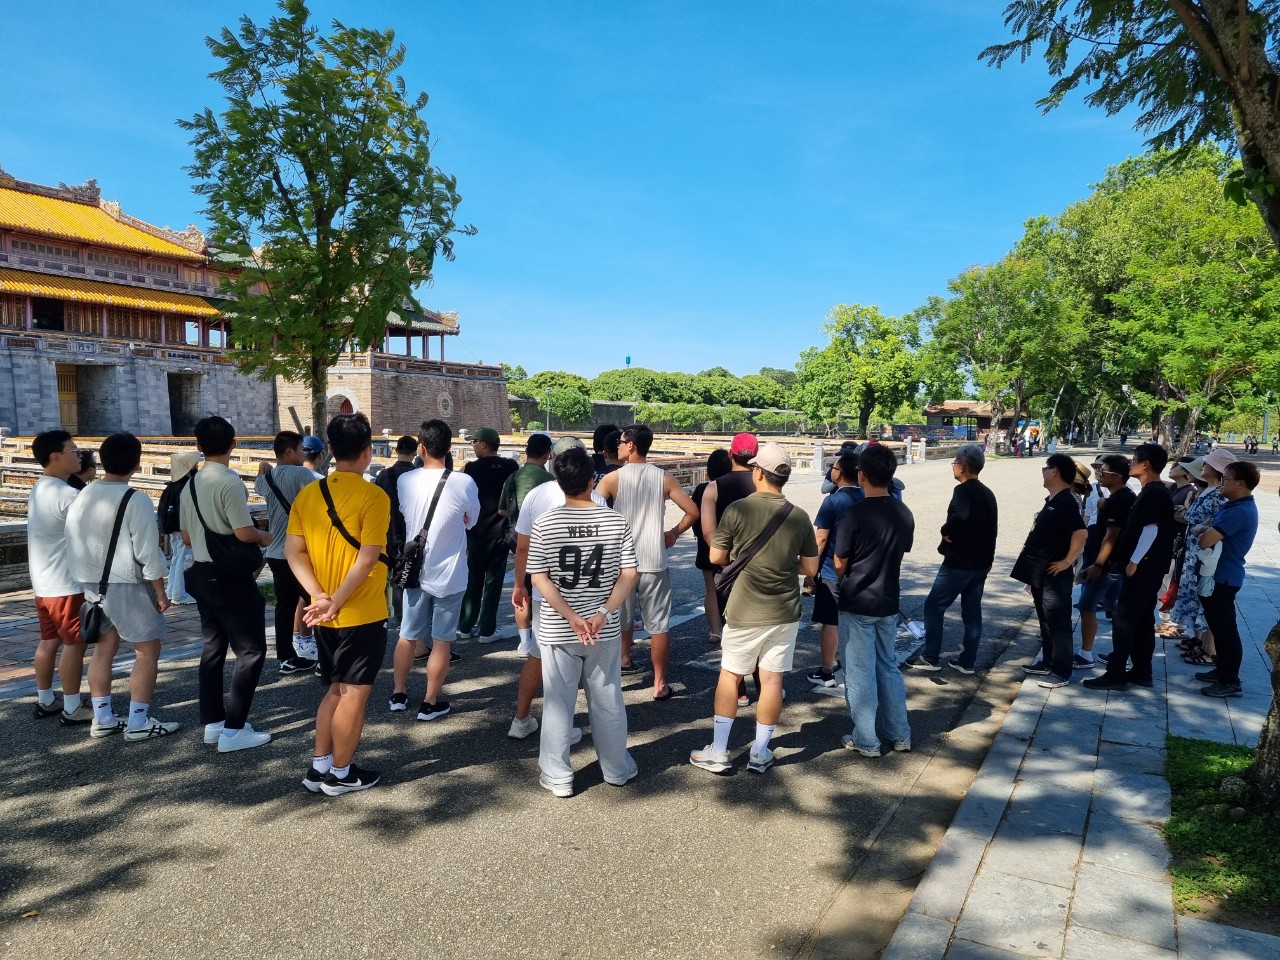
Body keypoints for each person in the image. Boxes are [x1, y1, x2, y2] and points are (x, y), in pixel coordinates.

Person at [690, 443, 818, 774]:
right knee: (772, 679)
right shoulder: (799, 516)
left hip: (745, 609)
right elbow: (810, 568)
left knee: (731, 674)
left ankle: (719, 751)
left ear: (758, 472)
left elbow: (716, 557)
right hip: (785, 611)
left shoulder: (738, 510)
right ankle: (760, 752)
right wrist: (783, 562)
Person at [286, 413, 390, 794]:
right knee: (354, 693)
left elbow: (294, 552)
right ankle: (342, 773)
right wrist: (336, 601)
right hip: (361, 611)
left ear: (329, 449)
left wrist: (319, 596)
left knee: (335, 688)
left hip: (324, 613)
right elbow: (367, 558)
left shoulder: (308, 495)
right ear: (368, 451)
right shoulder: (374, 496)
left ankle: (320, 766)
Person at [528, 445, 639, 797]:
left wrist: (572, 616)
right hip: (604, 627)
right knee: (607, 699)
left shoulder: (545, 523)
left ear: (558, 481)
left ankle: (558, 774)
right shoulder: (615, 521)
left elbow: (538, 576)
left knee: (558, 703)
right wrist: (603, 612)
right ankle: (616, 767)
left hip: (559, 627)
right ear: (593, 480)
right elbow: (629, 572)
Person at [66, 432, 178, 741]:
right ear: (137, 463)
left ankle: (103, 717)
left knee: (104, 649)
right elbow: (147, 551)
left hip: (92, 583)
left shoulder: (83, 494)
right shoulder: (135, 499)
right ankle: (138, 721)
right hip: (127, 582)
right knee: (147, 650)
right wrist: (160, 591)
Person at [180, 415, 274, 752]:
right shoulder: (229, 482)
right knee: (251, 650)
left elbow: (187, 538)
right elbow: (243, 532)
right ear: (234, 444)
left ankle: (214, 723)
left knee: (213, 648)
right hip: (230, 577)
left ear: (198, 446)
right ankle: (234, 730)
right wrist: (264, 536)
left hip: (202, 574)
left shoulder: (189, 484)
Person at [508, 436, 605, 739]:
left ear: (554, 460)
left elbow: (522, 547)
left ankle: (521, 719)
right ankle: (566, 729)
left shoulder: (536, 495)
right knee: (584, 663)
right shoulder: (596, 497)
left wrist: (519, 584)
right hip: (585, 592)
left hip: (545, 590)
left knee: (540, 656)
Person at [595, 423, 699, 700]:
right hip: (654, 559)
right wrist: (673, 532)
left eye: (620, 442)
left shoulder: (612, 479)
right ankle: (659, 683)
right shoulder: (664, 478)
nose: (617, 445)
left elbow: (591, 510)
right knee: (659, 625)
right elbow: (692, 511)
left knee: (618, 619)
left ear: (631, 445)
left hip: (622, 562)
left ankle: (620, 665)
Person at [389, 419, 479, 720]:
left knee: (407, 636)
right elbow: (471, 520)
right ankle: (429, 702)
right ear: (450, 448)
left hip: (415, 571)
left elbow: (404, 513)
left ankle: (399, 694)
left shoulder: (405, 481)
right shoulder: (464, 482)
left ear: (421, 448)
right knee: (442, 640)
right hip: (451, 574)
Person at [831, 443, 915, 757]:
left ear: (862, 475)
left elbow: (840, 562)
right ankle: (900, 734)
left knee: (859, 671)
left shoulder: (854, 514)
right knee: (888, 666)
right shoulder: (903, 512)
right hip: (888, 598)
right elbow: (901, 550)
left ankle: (866, 739)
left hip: (857, 599)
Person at [1083, 443, 1175, 692]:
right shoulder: (1151, 491)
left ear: (1145, 464)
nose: (1131, 463)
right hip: (1149, 567)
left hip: (1145, 567)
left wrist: (1134, 560)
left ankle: (1116, 673)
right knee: (1142, 620)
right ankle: (1142, 671)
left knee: (1123, 619)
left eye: (1134, 460)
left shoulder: (1154, 493)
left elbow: (1151, 529)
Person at [903, 442, 997, 674]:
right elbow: (993, 529)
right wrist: (989, 558)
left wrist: (945, 529)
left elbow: (961, 516)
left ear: (962, 466)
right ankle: (967, 661)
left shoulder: (963, 490)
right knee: (972, 610)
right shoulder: (988, 492)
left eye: (955, 463)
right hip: (981, 562)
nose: (953, 466)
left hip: (960, 561)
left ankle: (930, 656)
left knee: (934, 606)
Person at [27, 430, 89, 723]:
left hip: (44, 581)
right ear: (55, 456)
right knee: (75, 643)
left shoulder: (40, 487)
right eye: (73, 451)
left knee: (49, 640)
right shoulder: (68, 495)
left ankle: (46, 699)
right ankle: (73, 706)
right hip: (66, 582)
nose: (79, 456)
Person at [698, 433, 759, 702]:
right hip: (759, 565)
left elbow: (709, 534)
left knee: (733, 629)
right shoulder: (763, 483)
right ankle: (766, 685)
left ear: (731, 455)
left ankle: (740, 690)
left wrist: (726, 561)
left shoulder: (714, 487)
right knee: (760, 626)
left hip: (727, 567)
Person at [1018, 453, 1088, 689]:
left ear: (1055, 471)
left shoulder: (1066, 501)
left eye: (1045, 469)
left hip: (1056, 575)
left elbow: (1081, 533)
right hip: (1041, 572)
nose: (1043, 473)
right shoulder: (1054, 499)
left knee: (1058, 623)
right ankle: (1048, 661)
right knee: (1046, 620)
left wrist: (1067, 561)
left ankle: (1061, 672)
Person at [1193, 460, 1261, 698]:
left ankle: (1230, 681)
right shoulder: (1232, 506)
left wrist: (1204, 531)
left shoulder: (1240, 511)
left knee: (1225, 631)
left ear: (1241, 484)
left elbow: (1205, 539)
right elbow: (1206, 527)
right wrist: (1205, 529)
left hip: (1224, 578)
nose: (1222, 483)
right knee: (1219, 627)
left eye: (1226, 479)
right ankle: (1222, 670)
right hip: (1216, 575)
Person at [255, 430, 320, 674]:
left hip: (274, 552)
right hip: (298, 553)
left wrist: (263, 468)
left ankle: (286, 657)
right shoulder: (302, 474)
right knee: (317, 601)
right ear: (290, 451)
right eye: (301, 450)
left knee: (284, 606)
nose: (304, 454)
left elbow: (259, 485)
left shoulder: (266, 479)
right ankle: (326, 658)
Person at [806, 450, 863, 687]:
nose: (831, 470)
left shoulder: (833, 501)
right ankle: (855, 667)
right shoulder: (866, 497)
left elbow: (820, 539)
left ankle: (827, 671)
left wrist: (811, 571)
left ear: (839, 474)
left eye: (834, 467)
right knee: (856, 621)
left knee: (831, 621)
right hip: (860, 569)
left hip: (831, 569)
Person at [1170, 450, 1233, 663]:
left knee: (1206, 598)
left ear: (1217, 469)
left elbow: (1217, 521)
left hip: (1204, 551)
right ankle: (1201, 643)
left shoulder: (1219, 493)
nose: (1203, 466)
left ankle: (1210, 650)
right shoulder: (1209, 490)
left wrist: (1201, 528)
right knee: (1195, 596)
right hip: (1193, 550)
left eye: (1208, 463)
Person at [459, 426, 519, 642]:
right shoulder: (511, 466)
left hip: (475, 532)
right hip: (500, 532)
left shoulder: (470, 469)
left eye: (474, 442)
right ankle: (487, 630)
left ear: (484, 444)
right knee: (493, 583)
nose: (473, 445)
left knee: (472, 580)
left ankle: (465, 626)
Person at [1074, 454, 1134, 669]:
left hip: (1106, 566)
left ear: (1117, 476)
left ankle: (1086, 654)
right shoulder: (1123, 497)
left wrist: (1098, 565)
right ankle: (1122, 654)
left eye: (1104, 471)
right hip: (1114, 564)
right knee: (1115, 610)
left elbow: (1112, 535)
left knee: (1087, 606)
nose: (1099, 473)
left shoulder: (1118, 501)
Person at [500, 432, 555, 656]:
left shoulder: (513, 477)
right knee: (543, 587)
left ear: (526, 451)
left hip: (517, 538)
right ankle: (542, 637)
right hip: (543, 540)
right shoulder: (549, 480)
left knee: (521, 587)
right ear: (548, 454)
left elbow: (502, 510)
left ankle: (524, 642)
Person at [375, 434, 419, 625]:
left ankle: (393, 616)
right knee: (412, 575)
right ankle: (411, 618)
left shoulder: (384, 476)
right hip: (413, 534)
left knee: (389, 577)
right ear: (415, 452)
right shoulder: (419, 476)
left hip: (387, 533)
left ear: (396, 450)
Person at [691, 449, 732, 647]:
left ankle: (715, 631)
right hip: (730, 546)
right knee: (733, 587)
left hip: (705, 545)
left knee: (711, 590)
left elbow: (694, 516)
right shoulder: (731, 487)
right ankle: (732, 626)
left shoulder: (701, 489)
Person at [161, 452, 200, 605]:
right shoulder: (186, 486)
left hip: (173, 528)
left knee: (177, 559)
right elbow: (185, 511)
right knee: (183, 560)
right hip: (183, 528)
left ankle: (172, 591)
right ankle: (180, 594)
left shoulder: (173, 485)